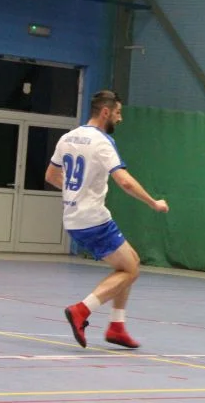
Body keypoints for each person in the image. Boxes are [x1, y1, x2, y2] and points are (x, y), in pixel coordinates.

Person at [45, 90, 169, 349]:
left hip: (74, 217)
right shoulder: (102, 142)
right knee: (131, 270)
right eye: (118, 113)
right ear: (105, 112)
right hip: (93, 219)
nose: (120, 118)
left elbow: (51, 176)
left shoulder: (67, 138)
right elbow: (123, 180)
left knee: (130, 261)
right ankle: (81, 310)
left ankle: (117, 326)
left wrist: (76, 194)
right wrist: (153, 202)